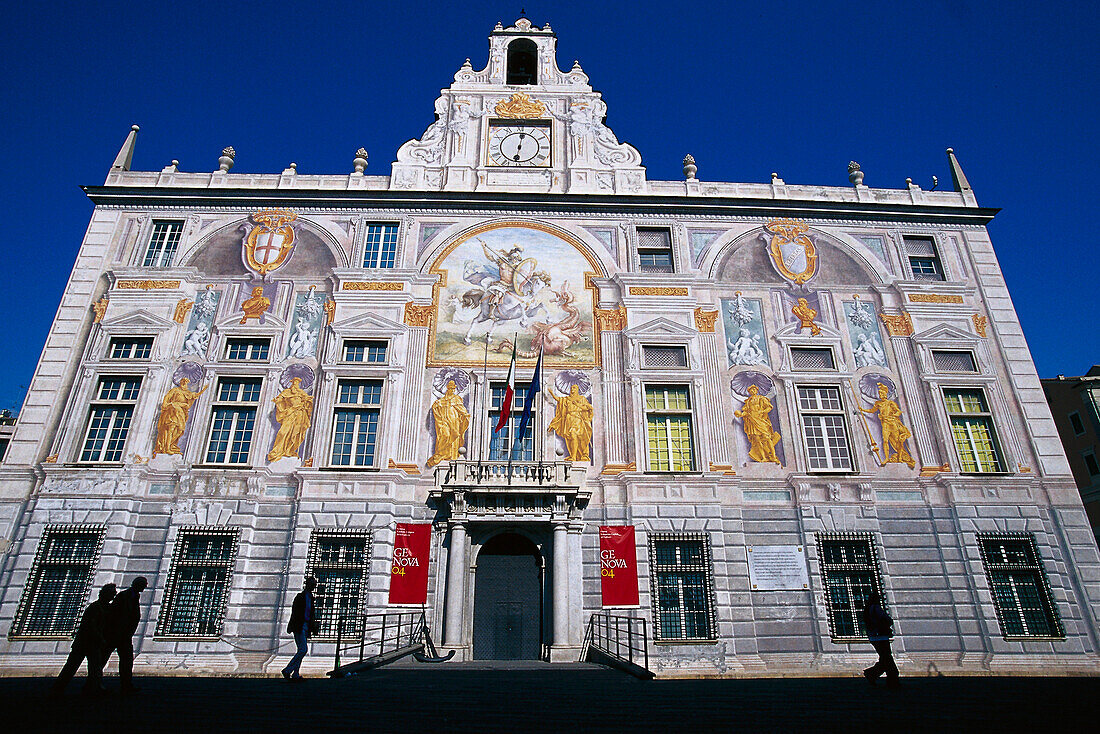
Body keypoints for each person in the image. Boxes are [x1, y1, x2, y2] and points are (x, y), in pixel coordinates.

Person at [51, 583, 117, 696]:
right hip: (85, 643)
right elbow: (90, 626)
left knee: (95, 667)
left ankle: (93, 687)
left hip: (93, 643)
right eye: (112, 594)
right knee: (72, 667)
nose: (113, 596)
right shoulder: (95, 607)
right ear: (105, 594)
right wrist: (100, 638)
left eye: (114, 594)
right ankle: (58, 688)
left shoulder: (106, 607)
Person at [105, 576, 148, 694]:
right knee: (104, 658)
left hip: (125, 635)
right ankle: (94, 683)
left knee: (127, 660)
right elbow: (114, 614)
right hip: (117, 633)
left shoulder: (134, 596)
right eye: (144, 584)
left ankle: (126, 685)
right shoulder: (124, 596)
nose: (146, 586)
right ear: (137, 584)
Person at [859, 383, 915, 468]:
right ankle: (886, 458)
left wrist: (894, 415)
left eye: (882, 393)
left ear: (886, 394)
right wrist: (863, 410)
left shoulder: (890, 403)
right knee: (885, 440)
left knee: (897, 441)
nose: (881, 395)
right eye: (880, 394)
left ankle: (900, 457)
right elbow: (872, 410)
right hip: (885, 423)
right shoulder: (878, 403)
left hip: (892, 423)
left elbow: (898, 411)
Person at [152, 377, 208, 456]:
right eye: (183, 382)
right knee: (171, 429)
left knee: (180, 429)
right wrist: (166, 405)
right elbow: (167, 398)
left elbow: (194, 396)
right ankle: (167, 448)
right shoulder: (175, 390)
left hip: (181, 413)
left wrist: (204, 389)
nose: (184, 384)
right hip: (173, 411)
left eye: (186, 383)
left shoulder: (187, 393)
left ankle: (171, 444)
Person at [267, 377, 314, 461]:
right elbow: (280, 398)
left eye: (297, 382)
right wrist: (278, 400)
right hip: (289, 413)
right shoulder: (286, 392)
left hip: (300, 414)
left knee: (296, 434)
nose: (295, 384)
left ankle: (290, 450)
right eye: (294, 382)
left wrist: (308, 401)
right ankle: (277, 451)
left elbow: (308, 401)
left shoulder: (301, 392)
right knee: (283, 432)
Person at [282, 576, 319, 680]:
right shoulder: (301, 597)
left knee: (301, 650)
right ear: (307, 584)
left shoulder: (311, 598)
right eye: (312, 584)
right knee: (303, 649)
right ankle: (287, 670)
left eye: (314, 585)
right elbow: (295, 612)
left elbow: (311, 613)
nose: (313, 586)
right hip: (299, 626)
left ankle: (295, 674)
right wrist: (292, 625)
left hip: (305, 626)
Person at [734, 384, 782, 464]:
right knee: (757, 440)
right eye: (751, 390)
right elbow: (746, 411)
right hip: (752, 421)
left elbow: (769, 407)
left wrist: (762, 412)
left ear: (757, 390)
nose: (752, 391)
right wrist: (741, 414)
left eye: (754, 389)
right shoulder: (748, 401)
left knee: (767, 438)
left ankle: (773, 456)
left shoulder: (761, 398)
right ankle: (763, 457)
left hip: (760, 420)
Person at [426, 381, 470, 467]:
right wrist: (437, 405)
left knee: (455, 437)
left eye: (453, 388)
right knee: (444, 435)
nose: (452, 390)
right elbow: (436, 407)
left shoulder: (457, 399)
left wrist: (465, 415)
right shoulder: (441, 400)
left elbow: (461, 409)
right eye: (450, 388)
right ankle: (442, 454)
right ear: (447, 388)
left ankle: (452, 456)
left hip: (454, 421)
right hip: (444, 421)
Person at [546, 384, 594, 462]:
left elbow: (588, 408)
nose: (572, 389)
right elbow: (559, 400)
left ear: (577, 389)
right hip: (569, 419)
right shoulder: (567, 399)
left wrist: (578, 405)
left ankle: (578, 456)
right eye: (571, 388)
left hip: (577, 419)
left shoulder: (581, 398)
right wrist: (551, 393)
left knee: (577, 437)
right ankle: (573, 455)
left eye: (574, 388)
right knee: (570, 438)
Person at [862, 590, 899, 686]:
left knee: (885, 658)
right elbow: (886, 619)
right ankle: (891, 678)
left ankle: (872, 674)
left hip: (874, 636)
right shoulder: (876, 608)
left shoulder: (867, 608)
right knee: (887, 658)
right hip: (881, 636)